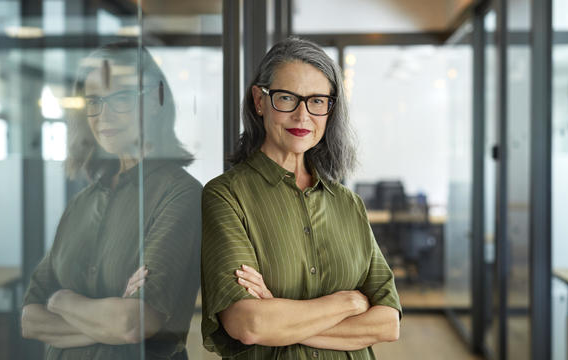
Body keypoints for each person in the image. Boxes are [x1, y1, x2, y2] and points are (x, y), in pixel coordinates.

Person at [201, 37, 402, 359]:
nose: (302, 116)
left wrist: (280, 319)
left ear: (330, 109)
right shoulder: (226, 196)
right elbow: (249, 324)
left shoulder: (348, 204)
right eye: (286, 98)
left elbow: (387, 324)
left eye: (317, 101)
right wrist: (348, 303)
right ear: (259, 101)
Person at [20, 42, 201, 359]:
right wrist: (108, 321)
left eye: (119, 99)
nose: (103, 115)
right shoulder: (82, 202)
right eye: (93, 101)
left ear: (156, 100)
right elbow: (30, 320)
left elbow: (132, 324)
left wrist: (62, 300)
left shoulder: (181, 194)